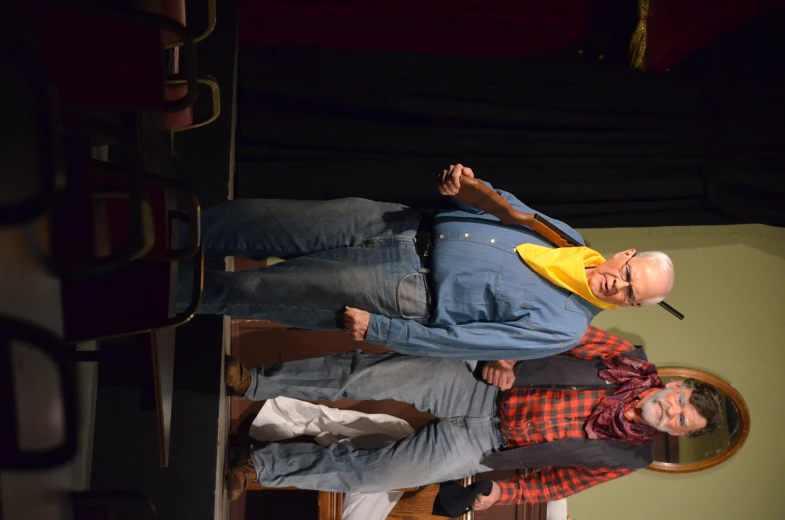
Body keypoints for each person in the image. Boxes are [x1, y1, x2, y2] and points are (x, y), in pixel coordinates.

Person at [180, 165, 675, 359]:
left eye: (632, 294)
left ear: (630, 307)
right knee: (259, 219)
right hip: (398, 224)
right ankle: (145, 226)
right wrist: (462, 191)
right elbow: (504, 209)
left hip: (400, 288)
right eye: (628, 275)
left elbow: (469, 344)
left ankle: (142, 290)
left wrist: (384, 332)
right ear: (624, 255)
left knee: (255, 291)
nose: (619, 286)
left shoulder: (566, 326)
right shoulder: (570, 239)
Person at [223, 326, 724, 505]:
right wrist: (505, 358)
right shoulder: (627, 360)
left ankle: (261, 467)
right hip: (481, 387)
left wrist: (502, 492)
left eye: (682, 423)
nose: (673, 414)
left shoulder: (629, 457)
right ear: (674, 386)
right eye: (680, 403)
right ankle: (256, 381)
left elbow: (556, 485)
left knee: (373, 476)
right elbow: (558, 335)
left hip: (484, 450)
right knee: (368, 378)